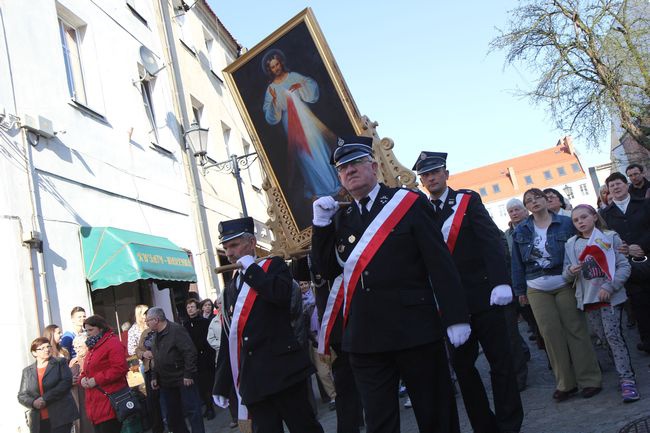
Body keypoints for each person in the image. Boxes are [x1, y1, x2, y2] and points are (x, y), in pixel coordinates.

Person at [312, 137, 471, 433]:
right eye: (342, 167)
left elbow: (439, 263)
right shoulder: (340, 218)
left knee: (435, 414)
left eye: (355, 163)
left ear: (373, 166)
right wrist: (320, 228)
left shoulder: (407, 203)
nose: (349, 171)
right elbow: (326, 272)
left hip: (414, 329)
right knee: (379, 421)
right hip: (365, 338)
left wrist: (456, 316)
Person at [415, 151, 523, 433]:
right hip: (452, 307)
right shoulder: (421, 211)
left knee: (501, 363)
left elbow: (490, 241)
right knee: (464, 371)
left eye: (435, 171)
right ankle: (484, 426)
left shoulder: (467, 199)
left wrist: (500, 281)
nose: (431, 177)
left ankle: (509, 424)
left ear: (446, 174)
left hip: (485, 295)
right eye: (425, 174)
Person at [213, 217, 323, 433]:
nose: (229, 253)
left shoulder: (274, 266)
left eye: (234, 245)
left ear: (252, 243)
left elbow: (281, 296)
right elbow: (230, 336)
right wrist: (221, 382)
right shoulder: (230, 289)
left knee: (304, 427)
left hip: (283, 371)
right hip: (253, 380)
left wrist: (252, 270)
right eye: (225, 248)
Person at [511, 188, 602, 401]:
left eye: (537, 198)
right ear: (527, 207)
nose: (534, 202)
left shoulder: (566, 223)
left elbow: (584, 246)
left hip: (564, 281)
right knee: (550, 334)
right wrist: (520, 291)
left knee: (576, 329)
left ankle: (589, 379)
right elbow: (516, 263)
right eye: (529, 200)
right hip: (536, 286)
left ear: (545, 200)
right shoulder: (521, 231)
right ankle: (565, 383)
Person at [562, 204, 639, 402]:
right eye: (576, 220)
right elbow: (566, 274)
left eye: (584, 217)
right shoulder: (571, 244)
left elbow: (623, 266)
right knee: (603, 339)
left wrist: (610, 287)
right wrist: (571, 271)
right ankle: (620, 371)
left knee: (614, 336)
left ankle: (627, 379)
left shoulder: (609, 237)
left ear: (594, 217)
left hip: (610, 298)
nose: (580, 222)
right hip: (588, 299)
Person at [262, 48, 340, 199]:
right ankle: (319, 189)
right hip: (289, 124)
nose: (276, 68)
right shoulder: (271, 89)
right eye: (273, 67)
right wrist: (273, 100)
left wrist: (300, 86)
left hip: (305, 119)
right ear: (269, 70)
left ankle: (334, 184)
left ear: (281, 63)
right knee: (303, 155)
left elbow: (311, 87)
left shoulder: (293, 76)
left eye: (277, 64)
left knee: (318, 148)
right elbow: (270, 116)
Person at [600, 171, 650, 353]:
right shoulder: (605, 214)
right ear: (609, 191)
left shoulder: (644, 204)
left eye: (618, 183)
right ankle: (647, 341)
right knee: (639, 305)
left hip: (648, 254)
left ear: (626, 185)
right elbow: (605, 239)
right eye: (611, 186)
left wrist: (641, 245)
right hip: (628, 265)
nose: (615, 187)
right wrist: (627, 249)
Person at [146, 307, 205, 433]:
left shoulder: (176, 330)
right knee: (173, 415)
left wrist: (188, 374)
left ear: (156, 320)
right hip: (166, 381)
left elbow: (190, 352)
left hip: (182, 377)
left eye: (148, 320)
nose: (147, 323)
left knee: (192, 410)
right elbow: (156, 357)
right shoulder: (155, 335)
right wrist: (154, 376)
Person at [18, 337, 80, 433]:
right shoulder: (27, 371)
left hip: (60, 416)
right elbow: (22, 395)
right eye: (42, 348)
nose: (46, 350)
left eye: (48, 346)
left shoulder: (60, 363)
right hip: (38, 419)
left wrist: (44, 398)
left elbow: (66, 383)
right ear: (34, 353)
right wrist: (33, 402)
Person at [79, 315, 128, 433]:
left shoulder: (112, 343)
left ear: (101, 328)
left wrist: (96, 379)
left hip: (110, 401)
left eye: (91, 330)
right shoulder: (92, 347)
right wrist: (82, 379)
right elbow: (86, 370)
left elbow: (120, 368)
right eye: (86, 330)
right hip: (96, 405)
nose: (88, 333)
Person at [184, 298, 216, 420]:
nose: (190, 309)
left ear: (197, 309)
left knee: (207, 384)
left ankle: (210, 408)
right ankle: (207, 406)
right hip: (193, 359)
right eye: (188, 307)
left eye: (192, 307)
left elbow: (207, 339)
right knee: (200, 386)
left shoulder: (204, 322)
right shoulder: (185, 324)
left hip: (204, 357)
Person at [135, 312, 165, 433]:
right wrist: (143, 354)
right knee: (152, 402)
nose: (146, 322)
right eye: (146, 320)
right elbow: (137, 349)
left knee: (166, 400)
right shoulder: (145, 333)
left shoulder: (165, 330)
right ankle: (158, 428)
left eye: (149, 320)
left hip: (163, 369)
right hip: (149, 369)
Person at [69, 335, 93, 433]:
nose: (77, 349)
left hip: (91, 394)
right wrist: (70, 381)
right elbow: (67, 380)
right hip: (79, 398)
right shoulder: (73, 362)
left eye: (79, 346)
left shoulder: (92, 356)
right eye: (75, 347)